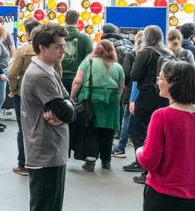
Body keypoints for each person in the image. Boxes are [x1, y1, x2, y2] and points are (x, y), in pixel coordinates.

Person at [137, 61, 195, 211]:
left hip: (163, 196)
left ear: (173, 83)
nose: (158, 82)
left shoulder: (161, 116)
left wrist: (139, 151)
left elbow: (149, 160)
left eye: (160, 78)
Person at [21, 23, 75, 211]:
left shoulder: (48, 70)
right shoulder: (40, 75)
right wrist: (66, 109)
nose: (63, 51)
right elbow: (68, 112)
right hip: (45, 152)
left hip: (51, 149)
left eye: (63, 46)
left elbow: (69, 105)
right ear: (42, 48)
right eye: (58, 47)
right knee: (46, 205)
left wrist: (66, 108)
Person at [7, 18, 60, 176]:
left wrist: (14, 89)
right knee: (46, 125)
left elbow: (11, 73)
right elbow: (58, 72)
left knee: (23, 129)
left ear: (29, 33)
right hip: (46, 94)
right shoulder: (52, 51)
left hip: (23, 95)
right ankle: (43, 162)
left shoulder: (22, 51)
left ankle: (23, 164)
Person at [124, 26, 172, 184]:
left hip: (146, 95)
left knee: (138, 129)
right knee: (159, 131)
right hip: (163, 96)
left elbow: (135, 75)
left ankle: (145, 165)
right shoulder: (167, 53)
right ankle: (155, 166)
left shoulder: (145, 53)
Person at [69, 40, 125, 171]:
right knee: (108, 130)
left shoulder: (88, 62)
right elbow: (121, 87)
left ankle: (90, 161)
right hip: (112, 101)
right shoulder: (117, 66)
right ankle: (106, 161)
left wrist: (71, 97)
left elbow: (77, 81)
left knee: (92, 129)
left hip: (91, 99)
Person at [101, 24, 137, 159]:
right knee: (122, 111)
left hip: (107, 84)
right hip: (124, 84)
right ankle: (121, 135)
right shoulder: (126, 43)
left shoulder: (104, 45)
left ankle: (112, 144)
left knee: (107, 116)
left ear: (104, 32)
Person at [61, 10, 94, 93]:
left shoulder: (57, 37)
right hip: (77, 79)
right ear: (78, 21)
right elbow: (90, 60)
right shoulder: (85, 38)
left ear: (65, 20)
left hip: (58, 77)